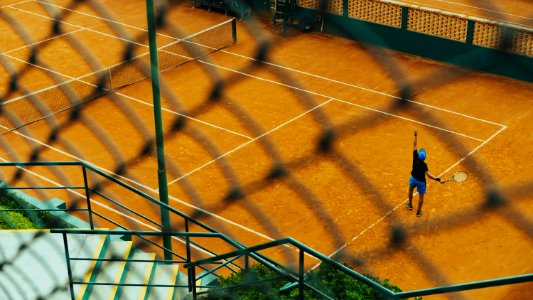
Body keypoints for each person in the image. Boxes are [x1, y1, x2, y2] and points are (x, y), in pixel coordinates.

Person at [407, 130, 445, 217]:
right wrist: (438, 179)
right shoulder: (424, 165)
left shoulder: (415, 157)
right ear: (424, 158)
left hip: (413, 179)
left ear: (419, 155)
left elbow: (415, 145)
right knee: (421, 197)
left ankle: (410, 205)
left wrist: (415, 135)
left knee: (410, 190)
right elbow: (429, 175)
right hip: (421, 182)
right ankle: (418, 212)